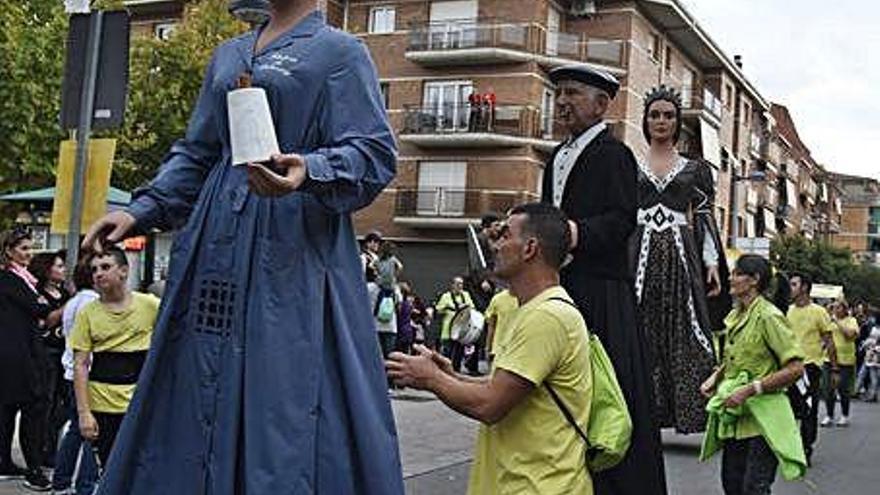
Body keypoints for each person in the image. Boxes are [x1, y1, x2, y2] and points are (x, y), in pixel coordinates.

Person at [80, 2, 404, 492]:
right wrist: (139, 210)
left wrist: (310, 169)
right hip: (215, 240)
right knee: (194, 377)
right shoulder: (229, 54)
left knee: (282, 388)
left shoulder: (340, 52)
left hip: (291, 244)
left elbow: (374, 152)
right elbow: (198, 151)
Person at [387, 203, 597, 494]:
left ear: (530, 248)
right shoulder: (533, 310)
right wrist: (453, 376)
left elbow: (490, 404)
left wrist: (430, 379)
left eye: (505, 236)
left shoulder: (547, 317)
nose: (495, 245)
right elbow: (510, 389)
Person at [541, 64, 666, 494]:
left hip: (601, 293)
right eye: (558, 93)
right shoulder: (556, 156)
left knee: (610, 394)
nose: (562, 102)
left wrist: (574, 233)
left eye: (572, 93)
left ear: (602, 103)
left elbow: (621, 220)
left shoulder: (615, 155)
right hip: (559, 289)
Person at [632, 85, 731, 434]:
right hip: (638, 254)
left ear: (678, 122)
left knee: (685, 327)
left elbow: (704, 218)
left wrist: (712, 264)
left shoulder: (696, 169)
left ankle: (687, 408)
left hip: (680, 254)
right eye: (655, 115)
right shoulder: (630, 164)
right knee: (637, 326)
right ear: (645, 120)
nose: (661, 121)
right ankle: (641, 407)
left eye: (669, 115)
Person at [700, 255, 807, 495]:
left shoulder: (769, 316)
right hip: (737, 418)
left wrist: (751, 389)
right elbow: (738, 359)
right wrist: (715, 378)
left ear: (754, 280)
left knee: (753, 488)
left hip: (764, 419)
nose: (730, 278)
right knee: (732, 485)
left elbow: (795, 368)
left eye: (737, 273)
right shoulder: (736, 316)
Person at [71, 248, 160, 466]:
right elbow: (80, 365)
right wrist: (84, 413)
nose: (98, 274)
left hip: (141, 404)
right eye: (94, 270)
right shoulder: (87, 313)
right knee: (110, 468)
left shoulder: (150, 305)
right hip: (103, 405)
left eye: (105, 267)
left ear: (124, 271)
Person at [0, 227, 64, 491]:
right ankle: (34, 468)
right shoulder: (10, 279)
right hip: (19, 354)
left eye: (30, 248)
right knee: (32, 409)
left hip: (18, 351)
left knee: (8, 409)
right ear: (8, 251)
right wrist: (55, 305)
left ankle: (5, 461)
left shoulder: (23, 279)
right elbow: (37, 307)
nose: (29, 254)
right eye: (24, 249)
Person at [51, 257, 100, 495]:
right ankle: (86, 486)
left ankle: (61, 482)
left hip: (70, 372)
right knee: (92, 433)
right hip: (87, 375)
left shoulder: (73, 302)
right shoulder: (93, 304)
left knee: (75, 431)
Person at [787, 272, 834, 464]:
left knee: (808, 409)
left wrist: (834, 368)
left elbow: (829, 341)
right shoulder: (787, 311)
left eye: (794, 284)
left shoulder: (819, 312)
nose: (791, 288)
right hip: (790, 367)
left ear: (804, 287)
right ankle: (789, 447)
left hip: (810, 367)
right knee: (788, 408)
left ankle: (806, 447)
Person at [29, 251, 71, 467]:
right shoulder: (38, 294)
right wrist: (69, 306)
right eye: (59, 266)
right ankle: (44, 451)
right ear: (47, 270)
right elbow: (46, 322)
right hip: (47, 353)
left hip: (65, 353)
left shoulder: (65, 292)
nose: (64, 269)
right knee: (47, 402)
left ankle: (50, 443)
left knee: (66, 404)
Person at [820, 301, 858, 427]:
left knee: (843, 389)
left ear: (844, 309)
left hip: (845, 360)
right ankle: (829, 415)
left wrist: (836, 321)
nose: (835, 310)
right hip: (829, 359)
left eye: (838, 307)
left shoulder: (851, 320)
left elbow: (850, 335)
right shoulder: (828, 321)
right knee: (827, 388)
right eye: (833, 308)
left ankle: (844, 415)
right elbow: (824, 337)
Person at [435, 276, 476, 372]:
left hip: (461, 332)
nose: (460, 286)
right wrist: (447, 307)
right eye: (457, 284)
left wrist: (465, 307)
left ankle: (456, 374)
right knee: (447, 355)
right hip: (448, 331)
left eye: (461, 284)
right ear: (452, 285)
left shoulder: (466, 295)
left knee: (458, 355)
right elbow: (438, 310)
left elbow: (472, 308)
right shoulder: (446, 296)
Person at [483, 288, 519, 364]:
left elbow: (491, 326)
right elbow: (491, 326)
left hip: (510, 349)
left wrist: (488, 348)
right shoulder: (497, 299)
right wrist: (488, 348)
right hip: (504, 349)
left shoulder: (497, 298)